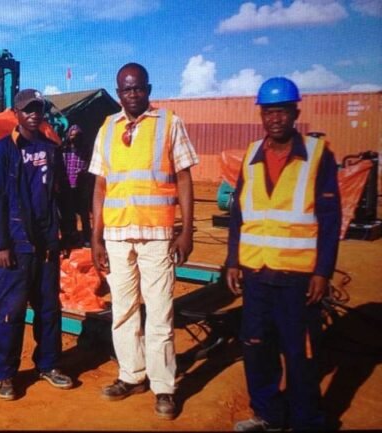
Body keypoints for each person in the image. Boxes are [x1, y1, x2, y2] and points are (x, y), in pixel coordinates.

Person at [225, 77, 340, 431]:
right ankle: (268, 415)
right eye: (269, 112)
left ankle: (308, 421)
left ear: (295, 113)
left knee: (299, 354)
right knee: (257, 348)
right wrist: (232, 260)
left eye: (282, 111)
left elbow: (330, 219)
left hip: (297, 278)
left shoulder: (317, 156)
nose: (275, 119)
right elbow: (238, 214)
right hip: (256, 273)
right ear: (262, 114)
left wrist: (322, 271)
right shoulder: (251, 157)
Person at [89, 63, 198, 420]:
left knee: (160, 312)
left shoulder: (169, 124)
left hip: (157, 236)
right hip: (117, 236)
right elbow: (101, 186)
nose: (132, 94)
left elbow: (183, 178)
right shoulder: (107, 128)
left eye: (138, 88)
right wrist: (96, 236)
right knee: (123, 312)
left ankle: (163, 386)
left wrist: (187, 230)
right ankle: (131, 375)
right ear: (118, 92)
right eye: (125, 89)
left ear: (148, 89)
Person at [0, 88, 73, 401]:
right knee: (11, 312)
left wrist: (67, 233)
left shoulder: (51, 149)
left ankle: (48, 364)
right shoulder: (2, 151)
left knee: (49, 310)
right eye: (28, 109)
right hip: (16, 248)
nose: (34, 114)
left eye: (38, 109)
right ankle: (5, 373)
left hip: (47, 245)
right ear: (17, 113)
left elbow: (62, 195)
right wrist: (1, 244)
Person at [59, 124, 94, 253]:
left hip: (81, 186)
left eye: (77, 135)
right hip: (68, 187)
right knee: (69, 215)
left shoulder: (85, 150)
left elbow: (89, 166)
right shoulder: (64, 150)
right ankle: (73, 238)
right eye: (72, 135)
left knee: (84, 214)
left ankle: (87, 238)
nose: (74, 138)